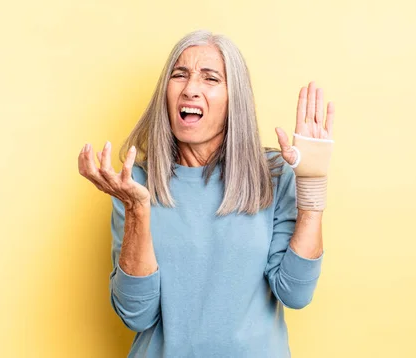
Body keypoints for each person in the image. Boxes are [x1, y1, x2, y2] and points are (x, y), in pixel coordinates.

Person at [78, 30, 335, 358]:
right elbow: (136, 314)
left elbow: (295, 292)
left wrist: (311, 186)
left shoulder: (272, 175)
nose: (190, 89)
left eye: (210, 78)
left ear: (234, 99)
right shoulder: (135, 184)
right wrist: (137, 209)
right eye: (179, 75)